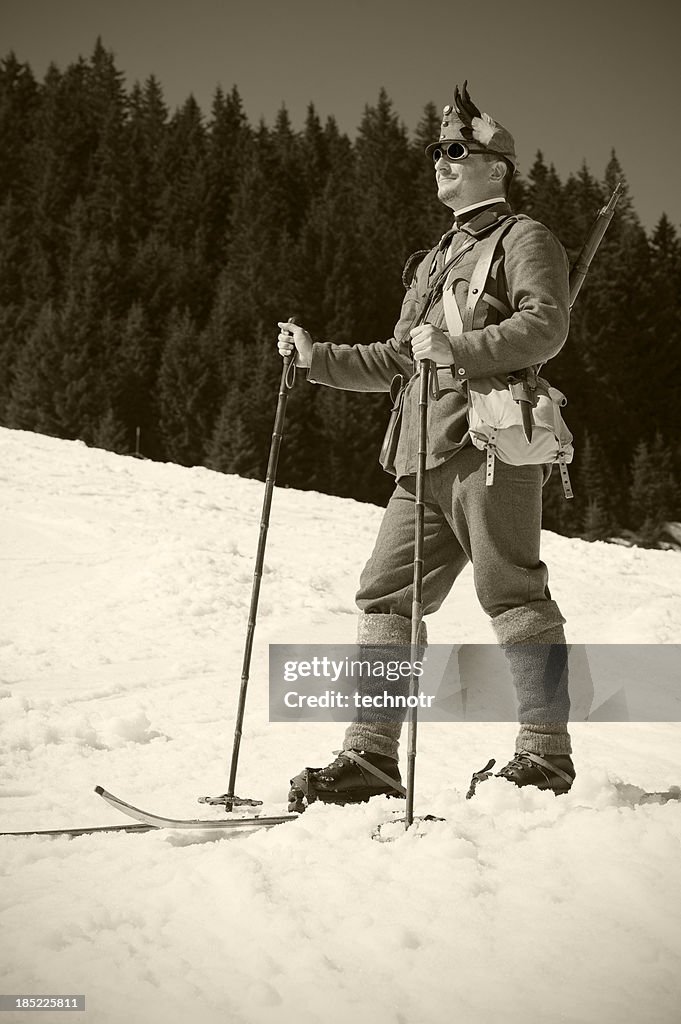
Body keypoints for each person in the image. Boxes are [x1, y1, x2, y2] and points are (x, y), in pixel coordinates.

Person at [277, 83, 575, 812]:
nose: (439, 161)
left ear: (496, 166)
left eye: (455, 150)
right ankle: (370, 758)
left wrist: (459, 346)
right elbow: (398, 357)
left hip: (488, 444)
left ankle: (544, 756)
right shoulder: (434, 257)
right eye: (435, 151)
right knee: (384, 594)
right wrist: (318, 359)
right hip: (418, 455)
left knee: (510, 591)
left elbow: (545, 328)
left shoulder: (523, 239)